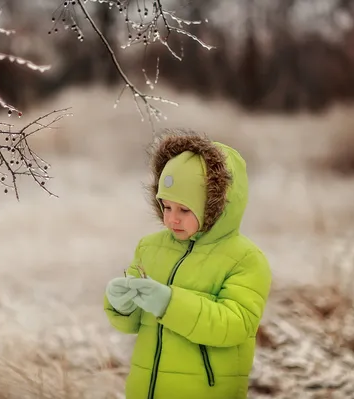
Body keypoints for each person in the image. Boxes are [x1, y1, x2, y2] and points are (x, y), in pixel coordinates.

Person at [103, 129, 272, 399]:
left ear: (216, 206)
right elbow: (132, 324)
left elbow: (234, 325)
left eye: (184, 209)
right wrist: (121, 305)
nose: (172, 220)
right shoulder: (150, 247)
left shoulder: (246, 259)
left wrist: (170, 304)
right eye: (166, 207)